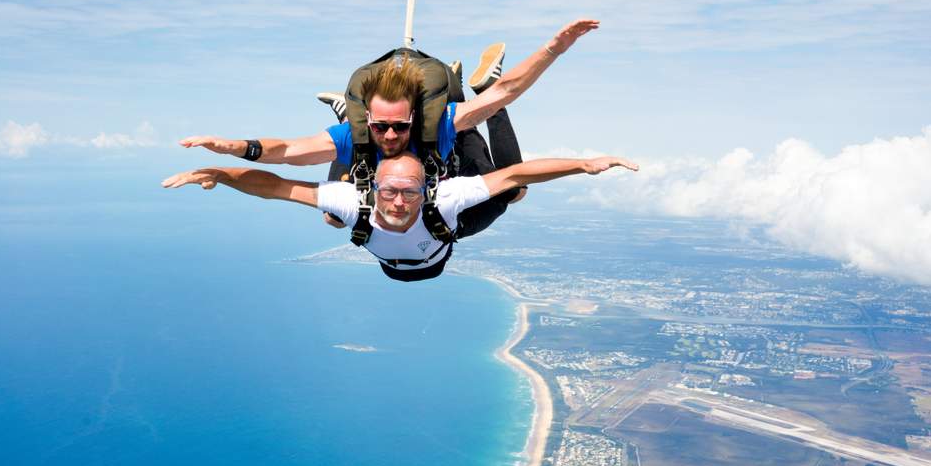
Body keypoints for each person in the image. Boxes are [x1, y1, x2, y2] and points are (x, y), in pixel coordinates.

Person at [177, 18, 600, 170]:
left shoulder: (437, 123)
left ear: (414, 117)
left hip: (444, 154)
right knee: (333, 215)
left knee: (513, 188)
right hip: (374, 148)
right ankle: (346, 112)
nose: (392, 136)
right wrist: (236, 147)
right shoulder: (360, 134)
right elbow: (287, 151)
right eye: (381, 127)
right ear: (369, 119)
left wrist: (553, 49)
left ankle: (468, 85)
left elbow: (508, 91)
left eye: (400, 126)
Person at [161, 151, 638, 282]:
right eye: (389, 190)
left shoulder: (431, 198)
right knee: (336, 202)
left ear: (425, 188)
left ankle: (351, 129)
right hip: (425, 260)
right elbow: (275, 186)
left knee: (334, 206)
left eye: (409, 191)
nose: (398, 200)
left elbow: (273, 187)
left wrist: (583, 166)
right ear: (377, 189)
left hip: (402, 260)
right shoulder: (434, 205)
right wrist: (220, 174)